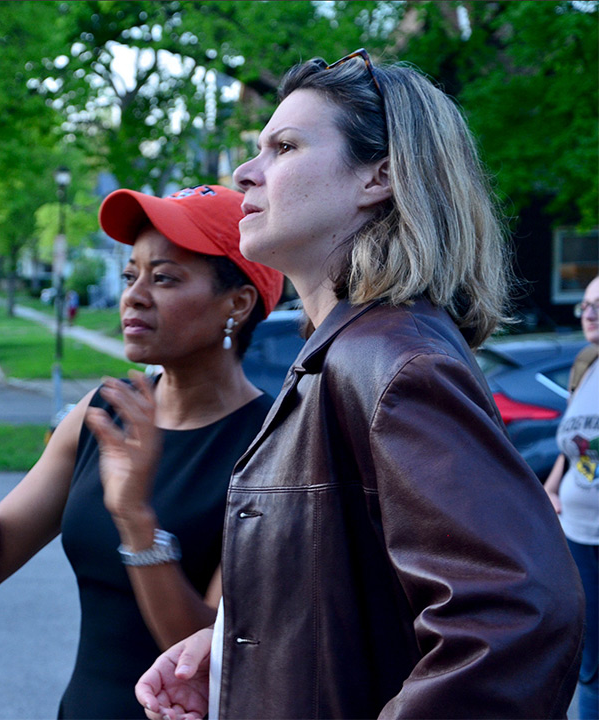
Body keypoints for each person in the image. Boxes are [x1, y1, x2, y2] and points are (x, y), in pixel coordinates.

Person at [135, 50, 584, 719]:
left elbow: (517, 615)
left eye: (284, 146)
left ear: (378, 177)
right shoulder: (344, 351)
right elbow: (361, 606)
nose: (244, 173)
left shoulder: (394, 363)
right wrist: (234, 655)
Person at [0, 185, 285, 718]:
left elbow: (204, 664)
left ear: (236, 303)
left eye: (164, 277)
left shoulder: (272, 449)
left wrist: (136, 519)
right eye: (130, 276)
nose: (134, 295)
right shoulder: (100, 411)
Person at [544, 275, 599, 720]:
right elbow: (573, 440)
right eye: (584, 305)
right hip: (578, 534)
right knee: (590, 658)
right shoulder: (585, 364)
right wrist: (552, 485)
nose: (589, 313)